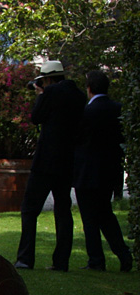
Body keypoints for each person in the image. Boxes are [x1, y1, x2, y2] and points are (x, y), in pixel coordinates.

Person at [11, 61, 86, 271]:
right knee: (63, 210)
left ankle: (25, 258)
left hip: (46, 161)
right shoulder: (78, 95)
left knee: (30, 209)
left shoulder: (50, 93)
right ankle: (61, 261)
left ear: (48, 79)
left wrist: (41, 96)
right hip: (67, 160)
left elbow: (36, 118)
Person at [74, 70, 133, 272]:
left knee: (90, 217)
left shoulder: (86, 112)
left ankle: (96, 259)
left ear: (89, 89)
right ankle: (123, 253)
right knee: (105, 214)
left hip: (87, 171)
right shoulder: (117, 109)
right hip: (109, 170)